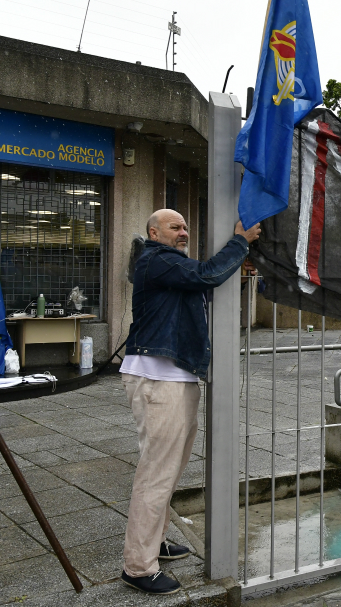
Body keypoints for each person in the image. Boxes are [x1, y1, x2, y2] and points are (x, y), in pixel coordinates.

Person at [119, 208, 260, 595]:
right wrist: (239, 242)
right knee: (157, 474)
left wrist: (234, 266)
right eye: (174, 227)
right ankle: (138, 566)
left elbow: (206, 285)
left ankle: (155, 541)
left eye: (185, 226)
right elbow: (207, 275)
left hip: (172, 377)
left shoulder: (169, 266)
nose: (183, 232)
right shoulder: (157, 259)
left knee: (168, 470)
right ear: (154, 233)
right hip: (159, 379)